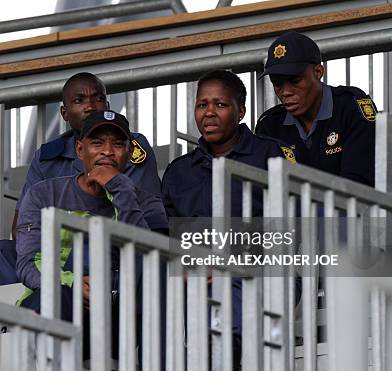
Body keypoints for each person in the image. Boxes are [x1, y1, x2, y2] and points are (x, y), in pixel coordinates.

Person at [161, 70, 295, 369]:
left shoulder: (271, 155)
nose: (209, 113)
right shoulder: (179, 171)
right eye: (201, 105)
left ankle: (223, 353)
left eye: (220, 104)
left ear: (241, 110)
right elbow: (166, 237)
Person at [15, 110, 168, 359]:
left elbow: (148, 261)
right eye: (97, 143)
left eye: (118, 144)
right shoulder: (43, 194)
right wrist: (74, 283)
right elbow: (28, 263)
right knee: (59, 294)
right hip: (59, 301)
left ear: (129, 154)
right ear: (79, 150)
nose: (107, 151)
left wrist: (120, 189)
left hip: (117, 312)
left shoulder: (147, 203)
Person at [0, 72, 161, 285]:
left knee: (85, 244)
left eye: (98, 98)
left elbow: (141, 216)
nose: (90, 106)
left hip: (109, 249)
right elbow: (21, 228)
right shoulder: (46, 157)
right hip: (53, 252)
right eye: (79, 101)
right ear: (64, 113)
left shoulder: (126, 148)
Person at [255, 31, 377, 187]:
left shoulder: (351, 105)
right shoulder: (270, 125)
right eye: (277, 84)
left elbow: (358, 180)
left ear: (318, 72)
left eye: (295, 81)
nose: (286, 92)